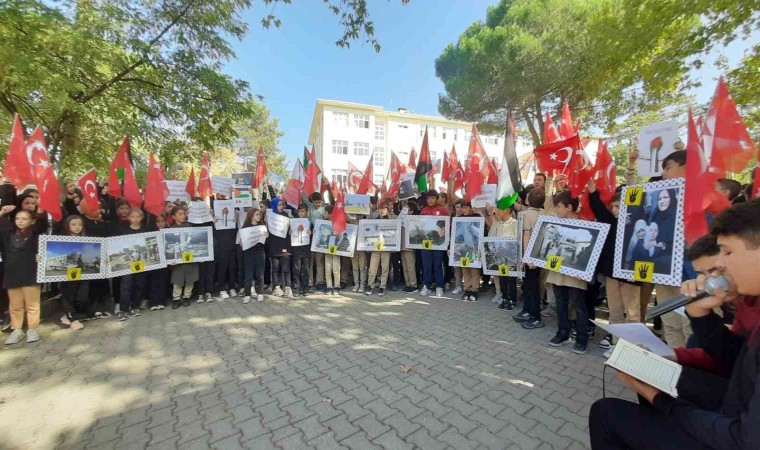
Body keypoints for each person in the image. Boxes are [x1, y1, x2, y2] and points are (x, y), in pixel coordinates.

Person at [589, 200, 760, 450]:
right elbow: (735, 360)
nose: (721, 269)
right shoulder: (749, 299)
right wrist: (698, 313)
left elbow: (744, 440)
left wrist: (659, 400)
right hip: (735, 401)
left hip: (733, 427)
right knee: (653, 372)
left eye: (728, 252)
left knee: (605, 413)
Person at [588, 180, 642, 355]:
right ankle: (617, 346)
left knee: (632, 314)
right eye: (614, 206)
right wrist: (592, 190)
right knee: (615, 312)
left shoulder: (637, 225)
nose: (616, 209)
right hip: (612, 274)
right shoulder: (609, 221)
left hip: (631, 276)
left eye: (620, 206)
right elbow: (597, 207)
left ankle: (632, 349)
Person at [545, 191, 589, 352]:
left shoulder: (585, 225)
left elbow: (587, 251)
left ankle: (582, 339)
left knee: (578, 306)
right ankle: (562, 332)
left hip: (575, 273)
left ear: (569, 207)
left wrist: (584, 268)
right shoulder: (554, 223)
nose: (556, 209)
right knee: (561, 303)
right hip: (557, 271)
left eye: (559, 206)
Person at [0, 207, 42, 345]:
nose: (20, 221)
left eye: (24, 218)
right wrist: (2, 213)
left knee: (32, 304)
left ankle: (32, 329)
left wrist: (40, 257)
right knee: (15, 305)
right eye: (18, 218)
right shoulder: (8, 234)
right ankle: (17, 329)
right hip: (12, 273)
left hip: (30, 272)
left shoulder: (37, 235)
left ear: (32, 221)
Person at [514, 188, 545, 327]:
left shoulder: (525, 214)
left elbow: (526, 235)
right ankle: (527, 310)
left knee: (531, 286)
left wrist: (526, 258)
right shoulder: (545, 213)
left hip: (530, 256)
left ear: (528, 200)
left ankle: (535, 315)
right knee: (531, 285)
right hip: (540, 254)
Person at [113, 208, 147, 321]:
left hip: (141, 262)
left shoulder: (145, 230)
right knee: (126, 286)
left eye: (138, 217)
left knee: (139, 285)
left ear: (141, 218)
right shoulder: (123, 230)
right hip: (127, 264)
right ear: (129, 218)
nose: (135, 219)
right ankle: (123, 310)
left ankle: (135, 306)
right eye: (133, 217)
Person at [58, 215, 91, 330]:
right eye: (73, 224)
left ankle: (71, 315)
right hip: (68, 273)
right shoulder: (61, 240)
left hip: (83, 273)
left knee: (82, 296)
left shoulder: (87, 240)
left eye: (80, 225)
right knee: (69, 295)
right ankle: (72, 318)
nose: (77, 227)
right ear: (67, 226)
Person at [485, 203, 519, 310]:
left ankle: (512, 300)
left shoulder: (515, 223)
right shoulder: (497, 224)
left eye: (500, 209)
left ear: (508, 210)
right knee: (502, 278)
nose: (498, 211)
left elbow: (518, 241)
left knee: (511, 279)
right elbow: (490, 237)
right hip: (499, 257)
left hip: (511, 258)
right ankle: (504, 298)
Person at [418, 190, 449, 297]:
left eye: (433, 198)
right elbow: (421, 227)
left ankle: (439, 286)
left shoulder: (443, 211)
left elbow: (446, 227)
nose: (430, 200)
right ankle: (427, 285)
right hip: (426, 242)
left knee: (437, 264)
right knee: (426, 265)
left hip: (438, 243)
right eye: (428, 198)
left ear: (437, 199)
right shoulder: (423, 211)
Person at [169, 207, 198, 309]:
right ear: (173, 216)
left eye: (184, 214)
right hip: (178, 259)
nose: (183, 216)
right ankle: (176, 298)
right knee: (177, 278)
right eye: (180, 214)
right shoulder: (171, 229)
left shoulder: (190, 226)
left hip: (189, 256)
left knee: (190, 278)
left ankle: (187, 297)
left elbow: (193, 240)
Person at [365, 201, 395, 296]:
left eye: (384, 208)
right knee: (372, 268)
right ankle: (371, 285)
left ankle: (382, 286)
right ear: (378, 210)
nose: (382, 211)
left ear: (387, 210)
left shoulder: (391, 221)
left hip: (386, 248)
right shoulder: (374, 220)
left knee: (385, 268)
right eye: (380, 209)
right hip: (376, 248)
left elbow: (393, 234)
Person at [267, 198, 294, 298]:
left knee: (286, 268)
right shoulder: (269, 217)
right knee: (275, 269)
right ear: (274, 206)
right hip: (274, 246)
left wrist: (291, 230)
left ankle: (288, 288)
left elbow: (289, 230)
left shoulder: (286, 216)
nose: (281, 206)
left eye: (282, 204)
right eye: (279, 205)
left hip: (284, 246)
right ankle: (276, 288)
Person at [241, 208, 267, 303]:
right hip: (249, 253)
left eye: (259, 214)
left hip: (260, 252)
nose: (259, 216)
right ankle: (247, 294)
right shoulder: (245, 228)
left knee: (260, 274)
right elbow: (242, 242)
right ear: (251, 216)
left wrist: (265, 235)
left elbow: (265, 240)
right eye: (257, 214)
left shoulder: (262, 226)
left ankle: (260, 293)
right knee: (249, 275)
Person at [458, 201, 482, 301]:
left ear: (471, 208)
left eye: (466, 207)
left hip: (475, 248)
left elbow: (481, 231)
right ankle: (467, 289)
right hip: (464, 247)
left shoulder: (477, 218)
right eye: (463, 207)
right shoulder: (459, 219)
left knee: (474, 269)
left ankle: (475, 290)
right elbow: (456, 234)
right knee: (465, 268)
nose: (464, 210)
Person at [147, 215, 171, 310]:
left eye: (162, 221)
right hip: (153, 261)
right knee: (153, 281)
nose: (160, 223)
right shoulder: (150, 233)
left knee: (163, 281)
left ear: (165, 222)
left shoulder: (168, 233)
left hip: (164, 262)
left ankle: (162, 301)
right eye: (158, 221)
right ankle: (153, 302)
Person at [292, 203, 312, 297]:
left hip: (306, 248)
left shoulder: (309, 221)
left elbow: (312, 232)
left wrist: (311, 232)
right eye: (299, 211)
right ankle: (297, 287)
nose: (300, 213)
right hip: (296, 248)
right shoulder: (293, 221)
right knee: (297, 268)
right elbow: (289, 233)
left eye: (302, 211)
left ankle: (305, 288)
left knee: (306, 269)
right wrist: (291, 231)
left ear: (306, 212)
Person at [322, 206, 341, 296]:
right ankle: (329, 286)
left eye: (325, 212)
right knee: (327, 267)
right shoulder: (323, 223)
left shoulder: (338, 223)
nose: (323, 214)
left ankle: (337, 286)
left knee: (336, 267)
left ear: (330, 214)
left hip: (336, 249)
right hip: (327, 248)